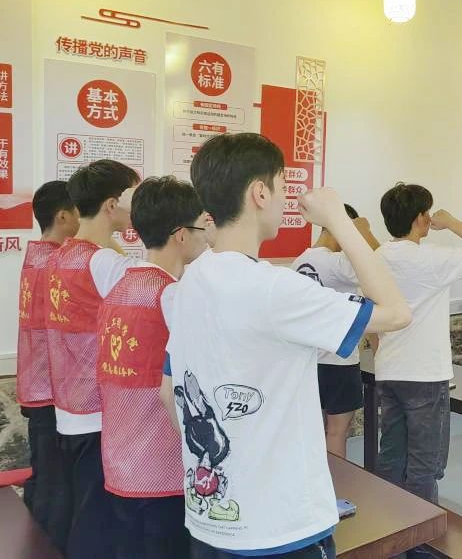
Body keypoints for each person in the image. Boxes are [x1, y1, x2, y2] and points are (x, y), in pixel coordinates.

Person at [159, 133, 410, 559]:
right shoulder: (276, 289)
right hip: (281, 530)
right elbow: (397, 312)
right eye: (281, 186)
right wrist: (338, 219)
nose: (284, 199)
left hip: (210, 522)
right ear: (260, 193)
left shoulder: (187, 284)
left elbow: (169, 392)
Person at [97, 176, 212, 559]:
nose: (206, 239)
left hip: (119, 465)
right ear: (181, 235)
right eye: (201, 228)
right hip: (163, 470)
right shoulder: (173, 296)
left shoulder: (117, 290)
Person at [375, 183, 462, 516]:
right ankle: (420, 536)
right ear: (420, 218)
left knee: (391, 456)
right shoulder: (429, 258)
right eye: (427, 213)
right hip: (425, 375)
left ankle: (390, 528)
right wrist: (453, 222)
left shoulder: (376, 257)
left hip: (388, 370)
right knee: (424, 465)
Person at [46, 159, 141, 559]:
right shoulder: (104, 263)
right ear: (112, 204)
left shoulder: (61, 255)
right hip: (99, 412)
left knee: (83, 512)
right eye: (134, 196)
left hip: (69, 406)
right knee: (98, 521)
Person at [17, 181, 79, 549]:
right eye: (80, 212)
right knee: (55, 490)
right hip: (50, 387)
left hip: (37, 382)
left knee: (44, 478)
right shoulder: (56, 263)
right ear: (63, 216)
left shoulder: (36, 256)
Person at [291, 204, 380, 458]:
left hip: (309, 361)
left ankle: (318, 480)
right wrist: (364, 232)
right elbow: (381, 264)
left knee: (316, 431)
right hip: (339, 362)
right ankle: (336, 483)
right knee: (337, 432)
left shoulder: (300, 261)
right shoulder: (337, 262)